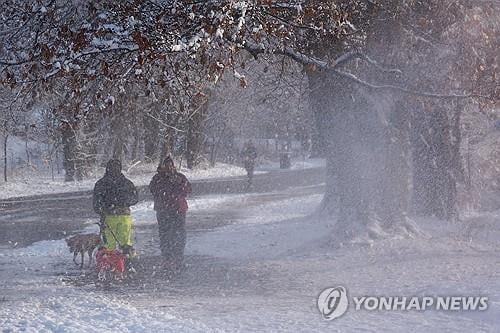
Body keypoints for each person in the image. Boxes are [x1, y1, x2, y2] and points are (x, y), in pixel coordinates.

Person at [149, 156, 191, 270]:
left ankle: (178, 257)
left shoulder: (180, 177)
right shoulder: (158, 178)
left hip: (178, 209)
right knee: (165, 234)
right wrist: (164, 181)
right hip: (164, 210)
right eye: (166, 165)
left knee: (179, 234)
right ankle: (167, 258)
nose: (169, 167)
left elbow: (188, 190)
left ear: (174, 166)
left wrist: (179, 183)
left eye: (171, 165)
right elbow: (153, 190)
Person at [93, 159, 138, 253]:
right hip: (112, 217)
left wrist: (123, 202)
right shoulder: (125, 183)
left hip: (120, 216)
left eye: (116, 167)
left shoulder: (125, 183)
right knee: (114, 244)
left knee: (120, 243)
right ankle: (121, 261)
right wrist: (104, 209)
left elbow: (135, 198)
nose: (114, 169)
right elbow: (96, 203)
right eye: (112, 167)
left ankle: (122, 262)